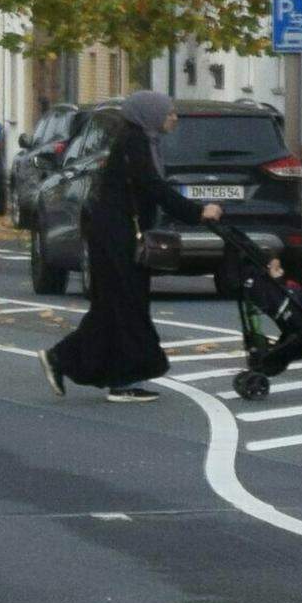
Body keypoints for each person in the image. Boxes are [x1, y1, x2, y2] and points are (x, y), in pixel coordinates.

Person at [43, 90, 220, 403]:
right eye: (169, 113)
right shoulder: (135, 142)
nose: (174, 118)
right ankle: (122, 380)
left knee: (111, 309)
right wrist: (197, 212)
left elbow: (149, 188)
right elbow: (152, 187)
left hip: (114, 232)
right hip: (116, 236)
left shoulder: (139, 140)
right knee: (125, 306)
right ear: (150, 116)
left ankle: (63, 359)